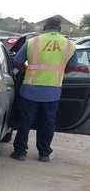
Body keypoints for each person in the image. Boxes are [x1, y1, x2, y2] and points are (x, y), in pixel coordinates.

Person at [10, 16, 79, 162]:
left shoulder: (32, 42)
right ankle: (44, 153)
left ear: (44, 27)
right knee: (47, 123)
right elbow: (73, 66)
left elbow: (17, 62)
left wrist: (27, 71)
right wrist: (59, 73)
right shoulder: (69, 45)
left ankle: (20, 152)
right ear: (60, 28)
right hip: (52, 91)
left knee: (25, 121)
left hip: (30, 88)